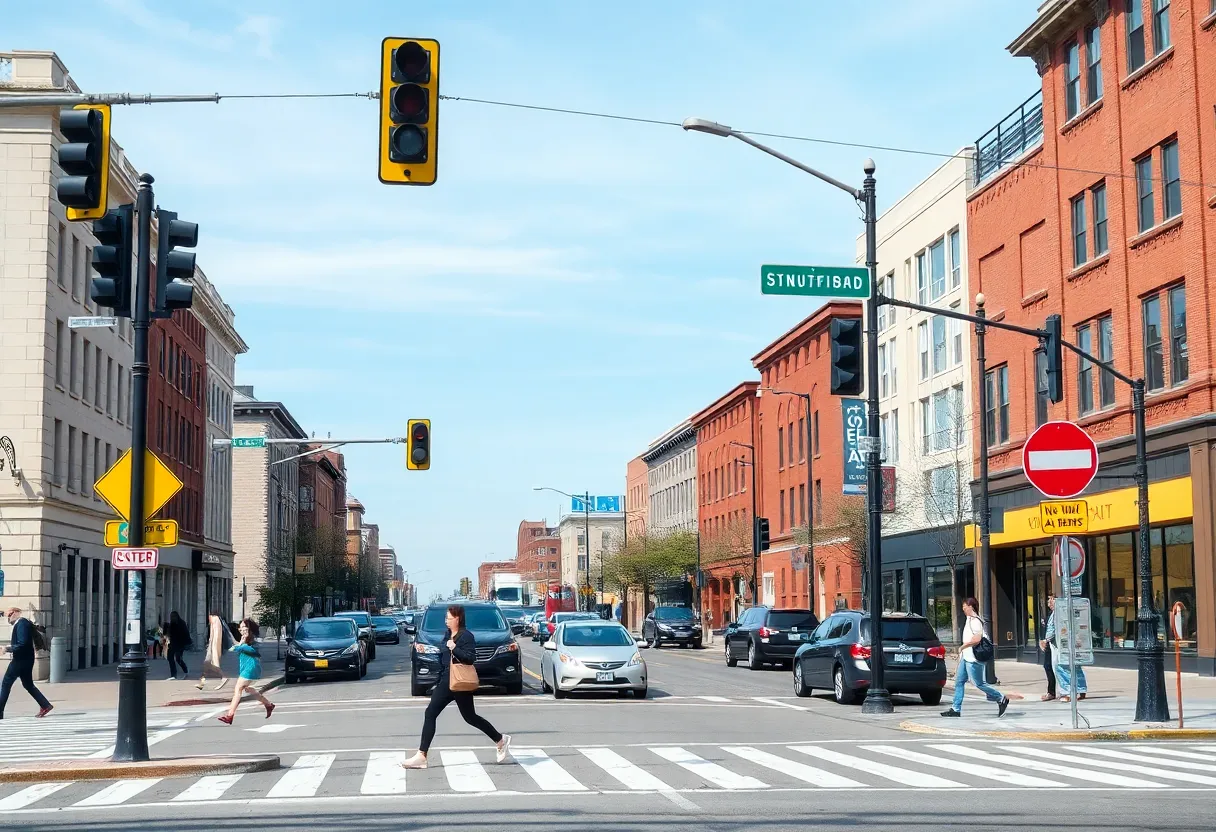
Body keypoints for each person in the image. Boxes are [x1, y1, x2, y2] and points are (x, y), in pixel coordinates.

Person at [402, 605, 511, 769]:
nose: (446, 621)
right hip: (447, 680)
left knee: (470, 717)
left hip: (460, 681)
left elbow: (470, 658)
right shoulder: (448, 634)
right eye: (446, 618)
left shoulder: (466, 636)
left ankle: (500, 740)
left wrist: (455, 648)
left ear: (457, 619)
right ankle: (421, 755)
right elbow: (444, 659)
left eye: (449, 618)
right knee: (431, 713)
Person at [941, 596, 1010, 719]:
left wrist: (963, 647)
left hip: (973, 658)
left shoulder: (976, 621)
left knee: (979, 684)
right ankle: (955, 709)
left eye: (965, 606)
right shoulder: (968, 620)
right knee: (959, 681)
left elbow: (977, 639)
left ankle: (1001, 698)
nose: (963, 609)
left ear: (971, 607)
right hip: (966, 657)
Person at [217, 618, 274, 724]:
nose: (242, 630)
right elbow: (234, 649)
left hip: (250, 668)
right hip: (248, 669)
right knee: (249, 689)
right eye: (241, 628)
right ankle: (268, 704)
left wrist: (241, 645)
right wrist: (240, 644)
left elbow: (247, 650)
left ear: (250, 628)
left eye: (244, 627)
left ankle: (230, 715)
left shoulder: (253, 641)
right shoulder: (245, 639)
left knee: (237, 690)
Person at [0, 607, 52, 719]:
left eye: (10, 614)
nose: (8, 617)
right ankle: (45, 705)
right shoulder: (22, 624)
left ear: (17, 612)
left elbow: (22, 643)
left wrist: (7, 649)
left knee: (5, 684)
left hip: (20, 660)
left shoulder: (22, 624)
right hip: (26, 659)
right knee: (28, 685)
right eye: (7, 616)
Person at [1052, 598, 1088, 703]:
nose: (1049, 602)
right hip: (1068, 642)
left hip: (1064, 644)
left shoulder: (1060, 613)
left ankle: (1068, 691)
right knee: (1074, 666)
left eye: (1051, 599)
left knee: (1062, 667)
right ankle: (1081, 689)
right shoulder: (1060, 613)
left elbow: (1055, 629)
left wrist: (1048, 639)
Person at [197, 612, 231, 691]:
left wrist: (211, 647)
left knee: (211, 665)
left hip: (212, 646)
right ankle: (201, 684)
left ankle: (224, 677)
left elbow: (213, 635)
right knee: (206, 666)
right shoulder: (218, 620)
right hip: (213, 645)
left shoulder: (214, 619)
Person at [1038, 594, 1057, 701]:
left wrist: (1046, 640)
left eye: (1051, 599)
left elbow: (1053, 630)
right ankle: (1052, 691)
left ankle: (1052, 692)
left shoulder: (1056, 614)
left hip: (1054, 644)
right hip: (1050, 643)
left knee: (1051, 666)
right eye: (1048, 598)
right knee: (1048, 666)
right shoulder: (1051, 614)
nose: (1049, 601)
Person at [165, 611, 191, 681]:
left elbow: (185, 634)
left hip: (180, 645)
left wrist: (185, 644)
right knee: (170, 658)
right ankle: (173, 675)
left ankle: (185, 670)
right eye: (171, 617)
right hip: (173, 644)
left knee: (178, 659)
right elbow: (169, 633)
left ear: (177, 616)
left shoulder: (181, 623)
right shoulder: (172, 624)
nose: (172, 618)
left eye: (173, 616)